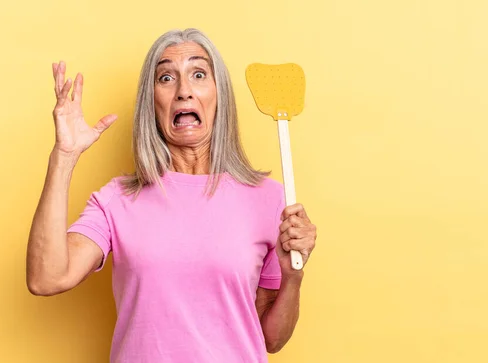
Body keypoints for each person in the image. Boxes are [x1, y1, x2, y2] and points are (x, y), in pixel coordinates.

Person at [26, 28, 317, 363]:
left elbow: (272, 339)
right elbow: (46, 277)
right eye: (166, 77)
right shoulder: (116, 201)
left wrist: (293, 277)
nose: (183, 92)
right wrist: (64, 155)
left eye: (198, 74)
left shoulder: (269, 199)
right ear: (152, 102)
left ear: (219, 94)